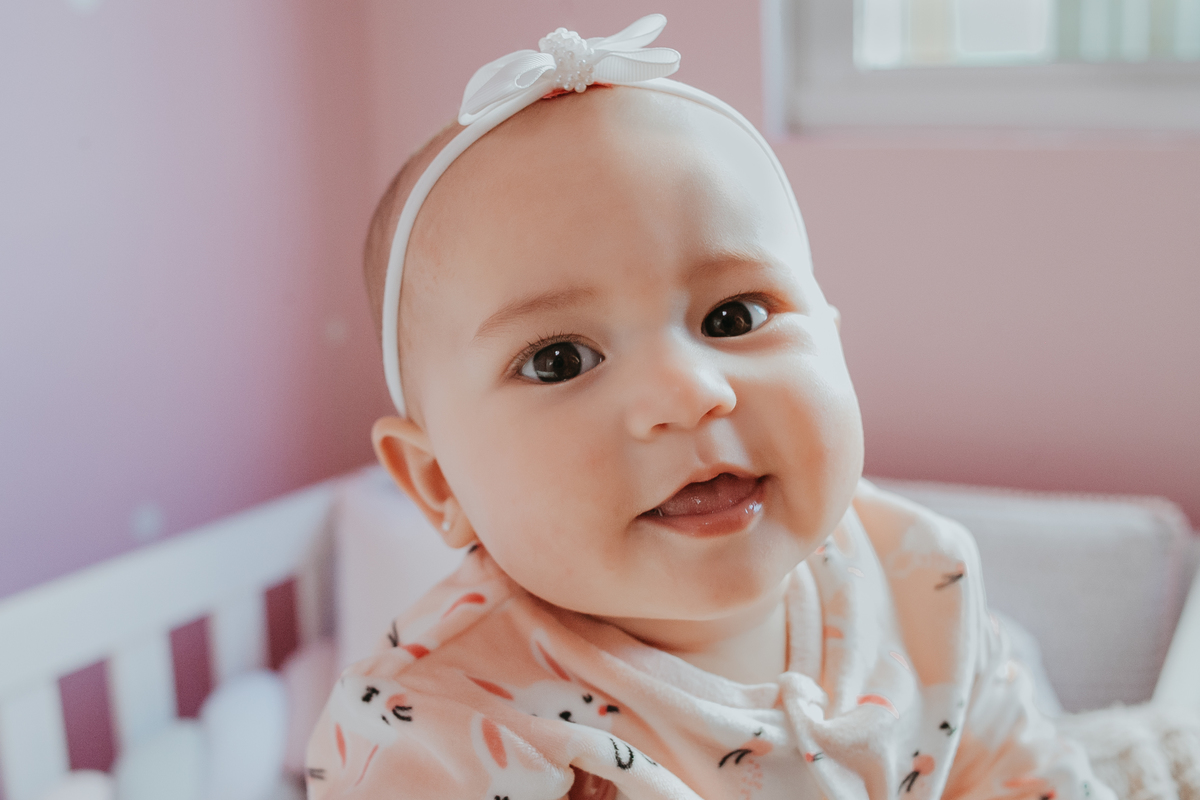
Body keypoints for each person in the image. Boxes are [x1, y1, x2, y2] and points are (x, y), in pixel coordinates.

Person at [305, 16, 1110, 800]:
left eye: (735, 316)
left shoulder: (920, 575)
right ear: (439, 483)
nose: (688, 393)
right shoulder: (438, 733)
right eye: (560, 360)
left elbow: (1022, 771)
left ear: (833, 340)